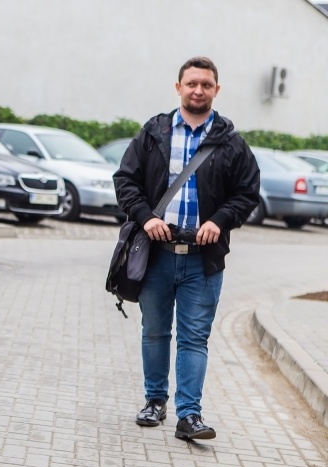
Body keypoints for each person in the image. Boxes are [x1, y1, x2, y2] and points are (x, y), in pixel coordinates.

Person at [113, 57, 260, 441]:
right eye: (191, 83)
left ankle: (189, 416)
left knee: (195, 337)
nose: (198, 90)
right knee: (156, 331)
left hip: (203, 260)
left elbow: (247, 193)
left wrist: (220, 220)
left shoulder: (230, 142)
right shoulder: (154, 132)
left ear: (216, 90)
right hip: (157, 254)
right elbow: (125, 179)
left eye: (206, 85)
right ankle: (154, 401)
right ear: (178, 87)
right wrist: (146, 217)